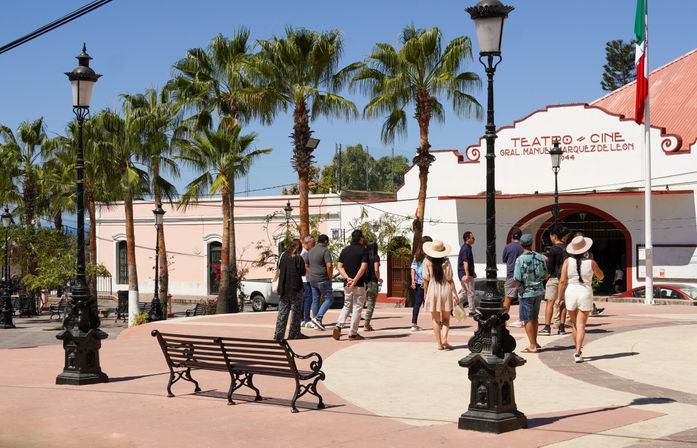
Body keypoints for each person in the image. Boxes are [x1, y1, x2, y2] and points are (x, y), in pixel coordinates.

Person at [556, 235, 604, 362]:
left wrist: (558, 298)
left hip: (570, 291)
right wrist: (592, 263)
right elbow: (601, 276)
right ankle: (578, 352)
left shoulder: (567, 262)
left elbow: (562, 281)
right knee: (581, 324)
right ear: (585, 250)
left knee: (574, 325)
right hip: (585, 292)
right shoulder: (591, 262)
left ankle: (577, 350)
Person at [513, 234, 549, 353]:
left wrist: (519, 288)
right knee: (534, 318)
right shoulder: (540, 257)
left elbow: (517, 279)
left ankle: (532, 345)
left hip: (526, 292)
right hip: (538, 291)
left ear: (521, 244)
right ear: (531, 244)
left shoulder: (520, 259)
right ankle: (535, 342)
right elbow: (545, 275)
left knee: (527, 319)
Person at [333, 229, 369, 341]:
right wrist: (355, 280)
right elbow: (362, 268)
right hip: (358, 284)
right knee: (357, 307)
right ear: (361, 238)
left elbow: (339, 267)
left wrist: (347, 278)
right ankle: (352, 333)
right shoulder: (363, 251)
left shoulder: (345, 250)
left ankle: (339, 325)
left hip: (347, 284)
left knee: (347, 305)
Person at [422, 240, 458, 350]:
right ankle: (445, 338)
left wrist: (425, 293)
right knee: (446, 319)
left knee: (435, 319)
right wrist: (455, 294)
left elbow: (426, 279)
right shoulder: (446, 262)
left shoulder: (427, 261)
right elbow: (450, 279)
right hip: (445, 290)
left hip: (433, 290)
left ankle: (439, 344)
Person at [274, 239, 308, 340]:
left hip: (284, 288)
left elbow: (279, 268)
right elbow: (302, 272)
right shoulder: (298, 258)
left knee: (282, 312)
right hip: (295, 288)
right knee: (296, 312)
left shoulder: (283, 256)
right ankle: (294, 333)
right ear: (299, 248)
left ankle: (278, 334)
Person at [540, 225, 568, 336]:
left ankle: (547, 327)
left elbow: (550, 267)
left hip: (555, 278)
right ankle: (561, 327)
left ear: (554, 236)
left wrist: (546, 260)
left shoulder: (553, 249)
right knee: (563, 303)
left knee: (550, 302)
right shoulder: (567, 248)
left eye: (551, 236)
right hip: (566, 278)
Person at [307, 234, 334, 330]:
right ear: (326, 242)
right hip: (323, 279)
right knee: (329, 299)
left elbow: (306, 265)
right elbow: (329, 265)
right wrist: (330, 277)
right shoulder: (325, 250)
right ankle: (318, 319)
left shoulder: (311, 251)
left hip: (312, 279)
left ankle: (315, 322)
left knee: (315, 300)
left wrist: (311, 273)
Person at [410, 235, 432, 331]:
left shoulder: (416, 255)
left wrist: (413, 281)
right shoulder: (429, 256)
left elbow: (413, 268)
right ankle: (438, 322)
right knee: (433, 303)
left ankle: (414, 324)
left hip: (419, 282)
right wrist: (425, 280)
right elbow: (430, 270)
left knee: (417, 304)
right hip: (427, 282)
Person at [501, 228, 524, 322]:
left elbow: (504, 259)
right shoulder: (523, 246)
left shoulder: (508, 247)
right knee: (522, 298)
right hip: (522, 275)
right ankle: (522, 320)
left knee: (507, 298)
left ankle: (503, 320)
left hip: (511, 274)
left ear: (512, 236)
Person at [362, 241, 382, 331]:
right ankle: (366, 324)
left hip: (364, 283)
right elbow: (376, 269)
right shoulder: (375, 257)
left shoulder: (364, 257)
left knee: (359, 304)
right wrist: (379, 278)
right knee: (371, 304)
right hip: (373, 282)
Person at [457, 231, 477, 315]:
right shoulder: (465, 248)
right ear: (467, 239)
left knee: (464, 292)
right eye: (472, 237)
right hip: (465, 274)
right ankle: (472, 311)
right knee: (471, 292)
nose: (474, 239)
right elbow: (465, 262)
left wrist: (473, 272)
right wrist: (468, 275)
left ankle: (451, 304)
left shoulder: (466, 248)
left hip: (463, 274)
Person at [300, 235, 315, 328]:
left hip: (305, 279)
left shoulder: (305, 252)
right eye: (313, 243)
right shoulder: (305, 253)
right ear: (307, 243)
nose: (314, 244)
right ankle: (307, 319)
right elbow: (305, 267)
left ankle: (301, 319)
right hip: (306, 280)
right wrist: (313, 274)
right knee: (308, 299)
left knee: (304, 299)